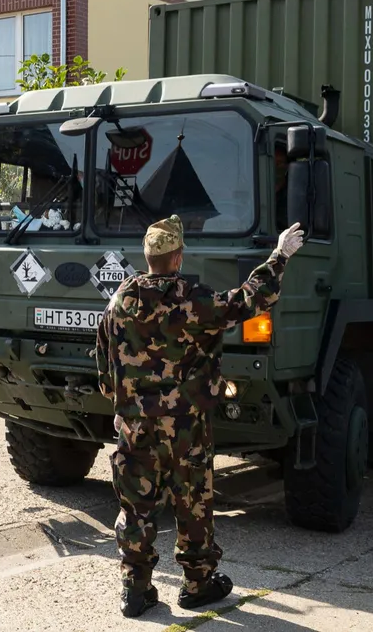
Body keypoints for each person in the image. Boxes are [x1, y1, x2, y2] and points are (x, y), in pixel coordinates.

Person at [95, 215, 305, 618]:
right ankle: (198, 584)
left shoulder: (119, 300)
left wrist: (122, 408)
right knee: (192, 502)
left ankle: (135, 591)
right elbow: (249, 299)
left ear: (148, 257)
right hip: (186, 427)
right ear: (176, 258)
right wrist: (279, 255)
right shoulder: (191, 301)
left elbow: (104, 361)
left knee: (136, 506)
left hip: (135, 425)